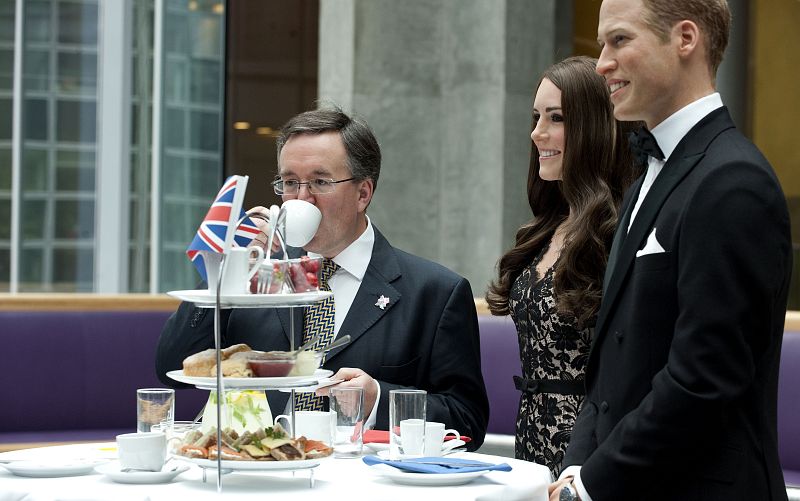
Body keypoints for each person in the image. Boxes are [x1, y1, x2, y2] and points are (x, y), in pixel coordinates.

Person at [550, 1, 792, 500]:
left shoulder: (733, 182)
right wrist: (575, 473)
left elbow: (704, 380)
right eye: (601, 45)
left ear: (686, 39)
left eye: (619, 40)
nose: (601, 64)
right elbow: (611, 365)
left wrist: (594, 482)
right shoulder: (644, 181)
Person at [155, 107, 490, 450]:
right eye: (289, 183)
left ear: (363, 193)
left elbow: (467, 419)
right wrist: (225, 271)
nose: (302, 198)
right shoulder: (255, 279)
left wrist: (378, 398)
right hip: (254, 473)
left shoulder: (434, 292)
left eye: (320, 182)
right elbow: (170, 368)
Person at [486, 56, 637, 478]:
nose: (538, 133)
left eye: (556, 118)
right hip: (528, 441)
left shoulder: (620, 232)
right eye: (536, 117)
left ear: (593, 127)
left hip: (591, 453)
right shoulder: (545, 229)